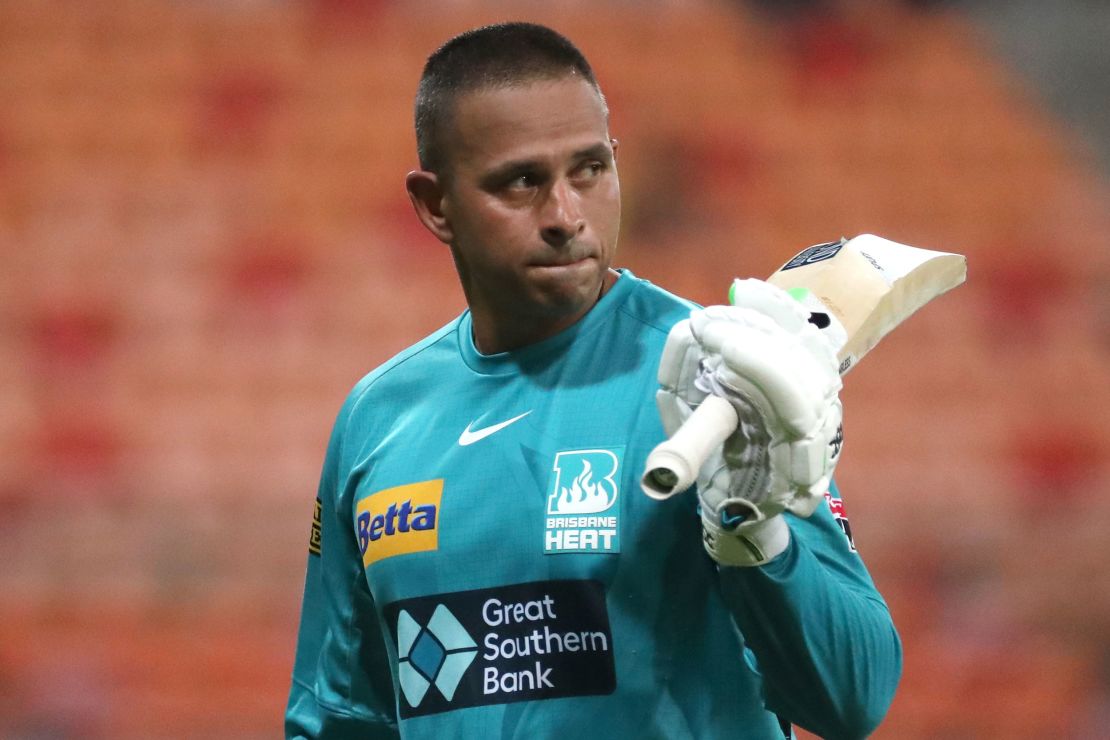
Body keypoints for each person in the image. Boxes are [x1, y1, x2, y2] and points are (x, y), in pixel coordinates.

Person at [286, 22, 901, 740]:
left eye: (589, 170)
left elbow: (855, 700)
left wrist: (756, 532)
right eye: (522, 182)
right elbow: (339, 719)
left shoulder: (720, 382)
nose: (566, 216)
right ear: (435, 204)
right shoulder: (376, 419)